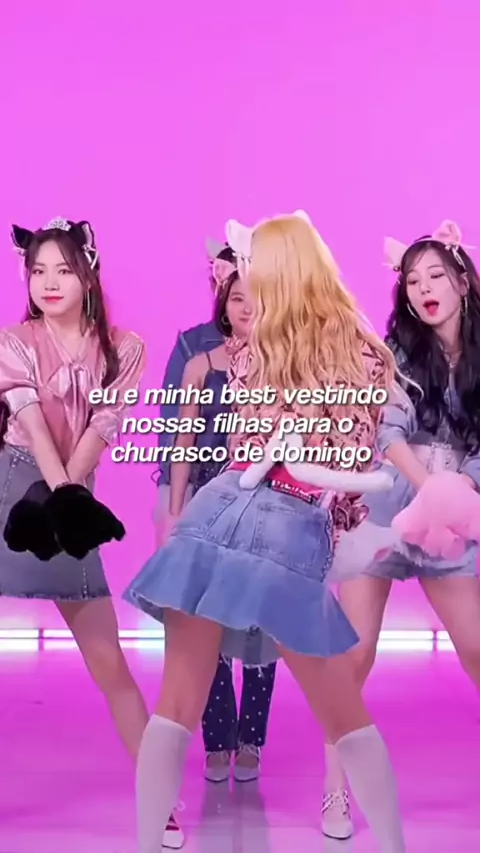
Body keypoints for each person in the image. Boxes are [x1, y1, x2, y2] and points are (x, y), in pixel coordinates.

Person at [124, 210, 407, 853]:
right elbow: (346, 470)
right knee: (343, 714)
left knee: (177, 705)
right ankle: (392, 844)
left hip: (224, 511)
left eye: (250, 266)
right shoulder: (359, 354)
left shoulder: (259, 351)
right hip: (281, 520)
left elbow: (250, 454)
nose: (242, 279)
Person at [0, 217, 183, 850]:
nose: (49, 282)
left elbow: (103, 426)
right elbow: (28, 423)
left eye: (63, 270)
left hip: (70, 492)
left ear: (88, 275)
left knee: (109, 662)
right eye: (38, 270)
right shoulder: (13, 341)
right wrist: (61, 495)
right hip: (14, 482)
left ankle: (161, 800)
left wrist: (69, 496)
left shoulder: (123, 348)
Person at [321, 220, 480, 842]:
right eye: (413, 281)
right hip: (386, 506)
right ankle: (335, 788)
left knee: (476, 646)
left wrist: (457, 490)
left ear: (463, 281)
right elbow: (387, 433)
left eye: (436, 275)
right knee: (353, 654)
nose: (425, 289)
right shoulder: (398, 352)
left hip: (454, 512)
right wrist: (430, 486)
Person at [166, 257, 277, 783]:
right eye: (237, 298)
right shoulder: (199, 366)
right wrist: (175, 511)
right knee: (207, 623)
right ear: (223, 306)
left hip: (268, 504)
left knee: (259, 623)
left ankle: (251, 739)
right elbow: (182, 445)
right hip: (208, 503)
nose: (247, 308)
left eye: (257, 299)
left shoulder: (284, 365)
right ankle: (217, 740)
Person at [154, 240, 229, 545]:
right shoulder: (194, 345)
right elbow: (175, 425)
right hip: (193, 480)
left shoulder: (278, 345)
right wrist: (175, 503)